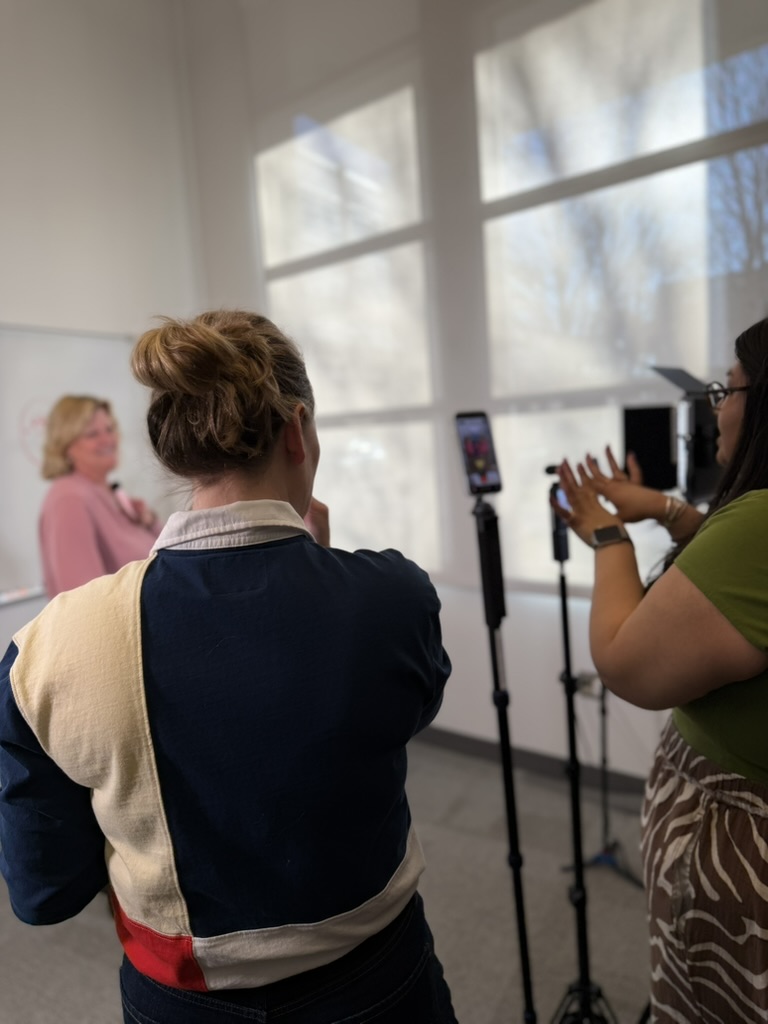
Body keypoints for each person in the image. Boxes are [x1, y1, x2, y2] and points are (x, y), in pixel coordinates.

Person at [0, 310, 456, 1024]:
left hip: (181, 1004)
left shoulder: (48, 650)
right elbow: (402, 709)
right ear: (297, 430)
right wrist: (327, 569)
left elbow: (43, 889)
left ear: (172, 448)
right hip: (379, 984)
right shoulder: (393, 597)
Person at [553, 316, 768, 1023]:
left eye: (726, 389)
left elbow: (627, 662)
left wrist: (606, 532)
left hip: (735, 862)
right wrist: (667, 510)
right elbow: (741, 591)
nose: (715, 408)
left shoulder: (760, 524)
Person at [39, 395, 162, 597]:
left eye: (109, 429)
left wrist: (149, 521)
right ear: (66, 446)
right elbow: (82, 600)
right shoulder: (69, 499)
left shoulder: (109, 494)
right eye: (92, 434)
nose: (108, 440)